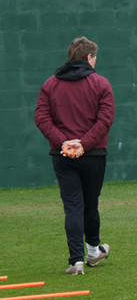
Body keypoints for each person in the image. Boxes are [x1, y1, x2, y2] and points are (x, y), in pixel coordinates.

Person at [35, 36, 115, 275]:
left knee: (72, 206)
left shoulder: (50, 84)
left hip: (62, 155)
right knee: (90, 205)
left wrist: (64, 143)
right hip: (94, 155)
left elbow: (41, 118)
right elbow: (106, 119)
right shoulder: (101, 83)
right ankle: (92, 251)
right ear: (89, 58)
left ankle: (76, 261)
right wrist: (85, 144)